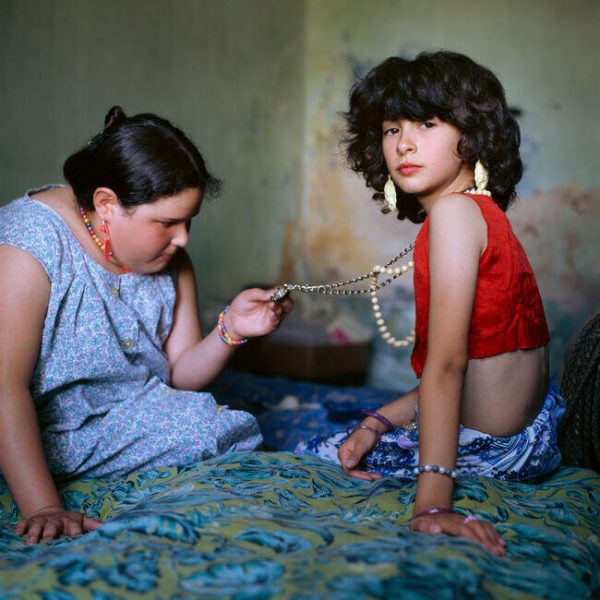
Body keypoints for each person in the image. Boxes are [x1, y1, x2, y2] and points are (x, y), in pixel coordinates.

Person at [296, 51, 563, 557]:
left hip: (494, 449)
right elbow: (479, 368)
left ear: (473, 137)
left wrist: (433, 505)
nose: (404, 144)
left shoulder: (454, 217)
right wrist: (378, 422)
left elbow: (447, 366)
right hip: (532, 438)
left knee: (311, 454)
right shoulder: (477, 213)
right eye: (390, 129)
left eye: (426, 123)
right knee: (359, 431)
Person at [0, 106, 293, 545]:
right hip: (28, 421)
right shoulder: (29, 245)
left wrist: (232, 327)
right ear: (106, 205)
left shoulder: (170, 259)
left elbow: (180, 375)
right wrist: (44, 507)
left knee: (219, 427)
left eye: (188, 221)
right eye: (167, 223)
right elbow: (5, 385)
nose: (184, 239)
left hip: (117, 418)